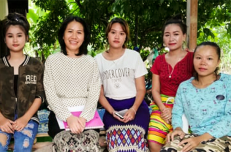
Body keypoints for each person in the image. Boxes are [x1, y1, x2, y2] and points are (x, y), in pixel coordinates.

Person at [43, 16, 101, 151]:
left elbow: (94, 93)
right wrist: (68, 118)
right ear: (63, 35)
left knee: (88, 144)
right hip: (59, 116)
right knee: (68, 145)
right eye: (70, 31)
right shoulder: (52, 61)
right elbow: (50, 94)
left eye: (79, 32)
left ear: (84, 37)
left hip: (87, 117)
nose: (74, 36)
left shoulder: (91, 62)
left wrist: (84, 118)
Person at [0, 13, 45, 151]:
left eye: (19, 35)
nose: (15, 40)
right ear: (4, 39)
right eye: (10, 36)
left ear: (26, 37)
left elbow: (40, 96)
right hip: (1, 117)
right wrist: (1, 119)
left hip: (28, 117)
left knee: (22, 147)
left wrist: (25, 118)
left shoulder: (35, 65)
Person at [161, 42, 231, 152]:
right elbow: (177, 112)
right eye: (198, 58)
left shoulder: (227, 82)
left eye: (209, 59)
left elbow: (229, 119)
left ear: (218, 62)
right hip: (194, 136)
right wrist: (178, 128)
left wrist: (199, 139)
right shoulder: (184, 87)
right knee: (168, 149)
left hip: (223, 138)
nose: (203, 62)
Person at [95, 18, 150, 152]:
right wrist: (111, 111)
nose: (117, 36)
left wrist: (133, 109)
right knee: (116, 142)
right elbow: (100, 94)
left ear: (126, 37)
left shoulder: (134, 56)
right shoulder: (97, 60)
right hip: (111, 108)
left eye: (122, 33)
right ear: (107, 34)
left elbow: (141, 89)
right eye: (113, 32)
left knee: (135, 139)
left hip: (136, 107)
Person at [147, 16, 194, 152]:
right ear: (163, 38)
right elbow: (155, 90)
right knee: (153, 141)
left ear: (184, 36)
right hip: (162, 105)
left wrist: (177, 111)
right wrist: (163, 109)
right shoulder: (159, 60)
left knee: (181, 143)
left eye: (176, 34)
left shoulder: (192, 58)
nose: (171, 38)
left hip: (186, 106)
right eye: (167, 35)